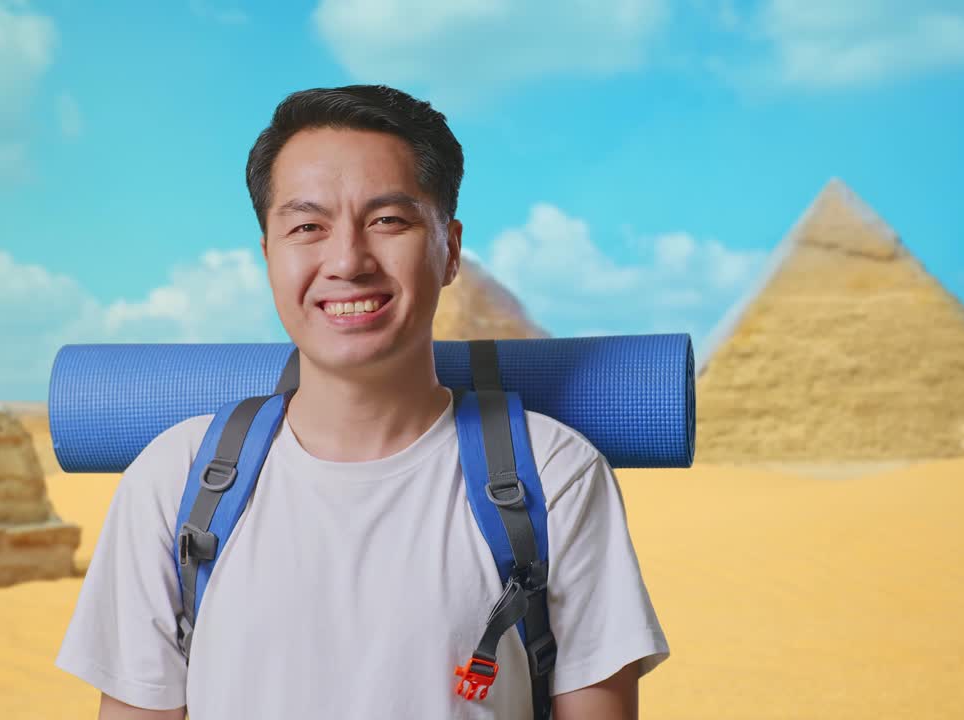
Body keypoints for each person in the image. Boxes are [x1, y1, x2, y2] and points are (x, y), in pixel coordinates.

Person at [55, 84, 669, 719]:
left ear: (450, 249)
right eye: (306, 227)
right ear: (268, 255)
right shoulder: (171, 480)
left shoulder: (556, 474)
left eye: (388, 221)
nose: (347, 259)